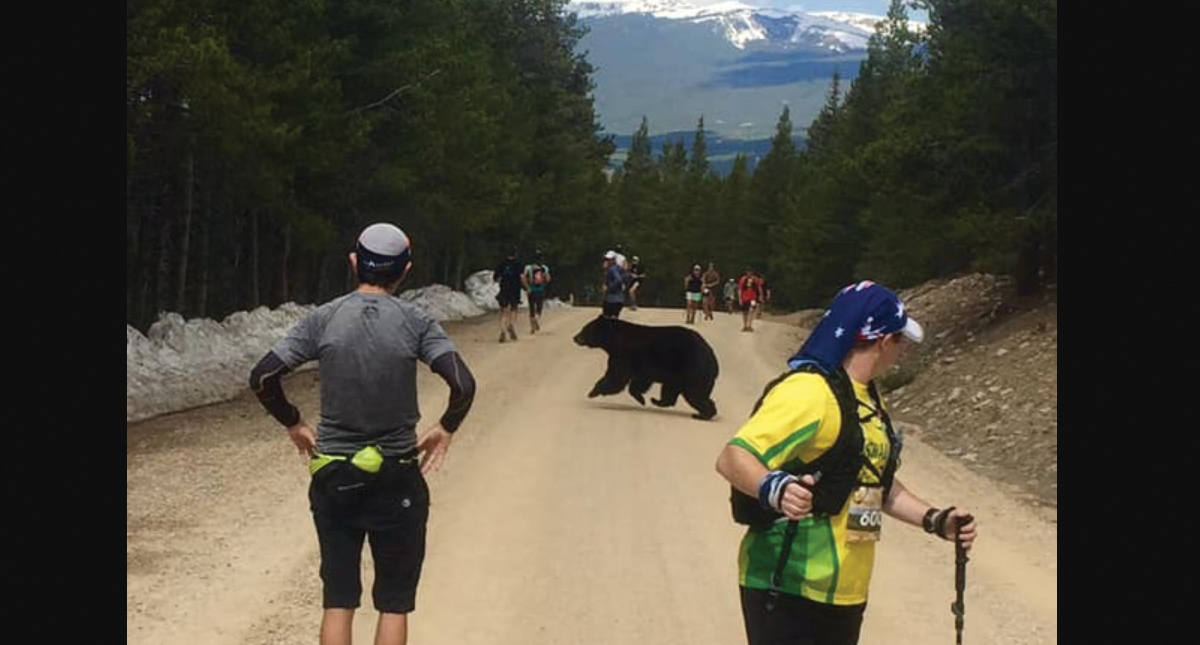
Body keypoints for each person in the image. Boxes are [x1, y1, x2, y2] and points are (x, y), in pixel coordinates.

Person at [249, 223, 477, 645]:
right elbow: (463, 385)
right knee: (394, 601)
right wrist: (446, 427)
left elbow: (263, 377)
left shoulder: (324, 318)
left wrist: (294, 422)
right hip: (397, 475)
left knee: (338, 597)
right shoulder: (418, 322)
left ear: (354, 262)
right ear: (405, 270)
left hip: (334, 475)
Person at [715, 280, 977, 645]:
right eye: (900, 340)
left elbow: (873, 482)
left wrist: (935, 519)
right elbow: (733, 456)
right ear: (884, 340)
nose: (902, 351)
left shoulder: (870, 400)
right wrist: (774, 489)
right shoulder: (808, 392)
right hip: (788, 584)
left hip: (845, 592)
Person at [494, 249, 524, 343]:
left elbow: (496, 278)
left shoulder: (502, 264)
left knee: (503, 311)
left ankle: (503, 331)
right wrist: (526, 287)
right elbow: (522, 277)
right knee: (514, 309)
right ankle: (511, 324)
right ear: (515, 255)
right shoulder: (518, 264)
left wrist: (502, 281)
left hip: (504, 290)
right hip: (515, 290)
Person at [522, 250, 552, 334]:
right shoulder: (544, 268)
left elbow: (523, 277)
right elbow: (548, 279)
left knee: (531, 309)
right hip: (540, 290)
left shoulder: (528, 267)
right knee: (539, 309)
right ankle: (536, 319)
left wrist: (527, 287)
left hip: (531, 290)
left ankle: (532, 327)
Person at [601, 250, 626, 319]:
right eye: (607, 259)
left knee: (607, 319)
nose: (607, 261)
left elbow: (618, 280)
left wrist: (608, 287)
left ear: (614, 260)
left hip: (612, 300)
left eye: (609, 259)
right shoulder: (619, 268)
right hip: (619, 299)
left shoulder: (612, 269)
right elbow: (625, 277)